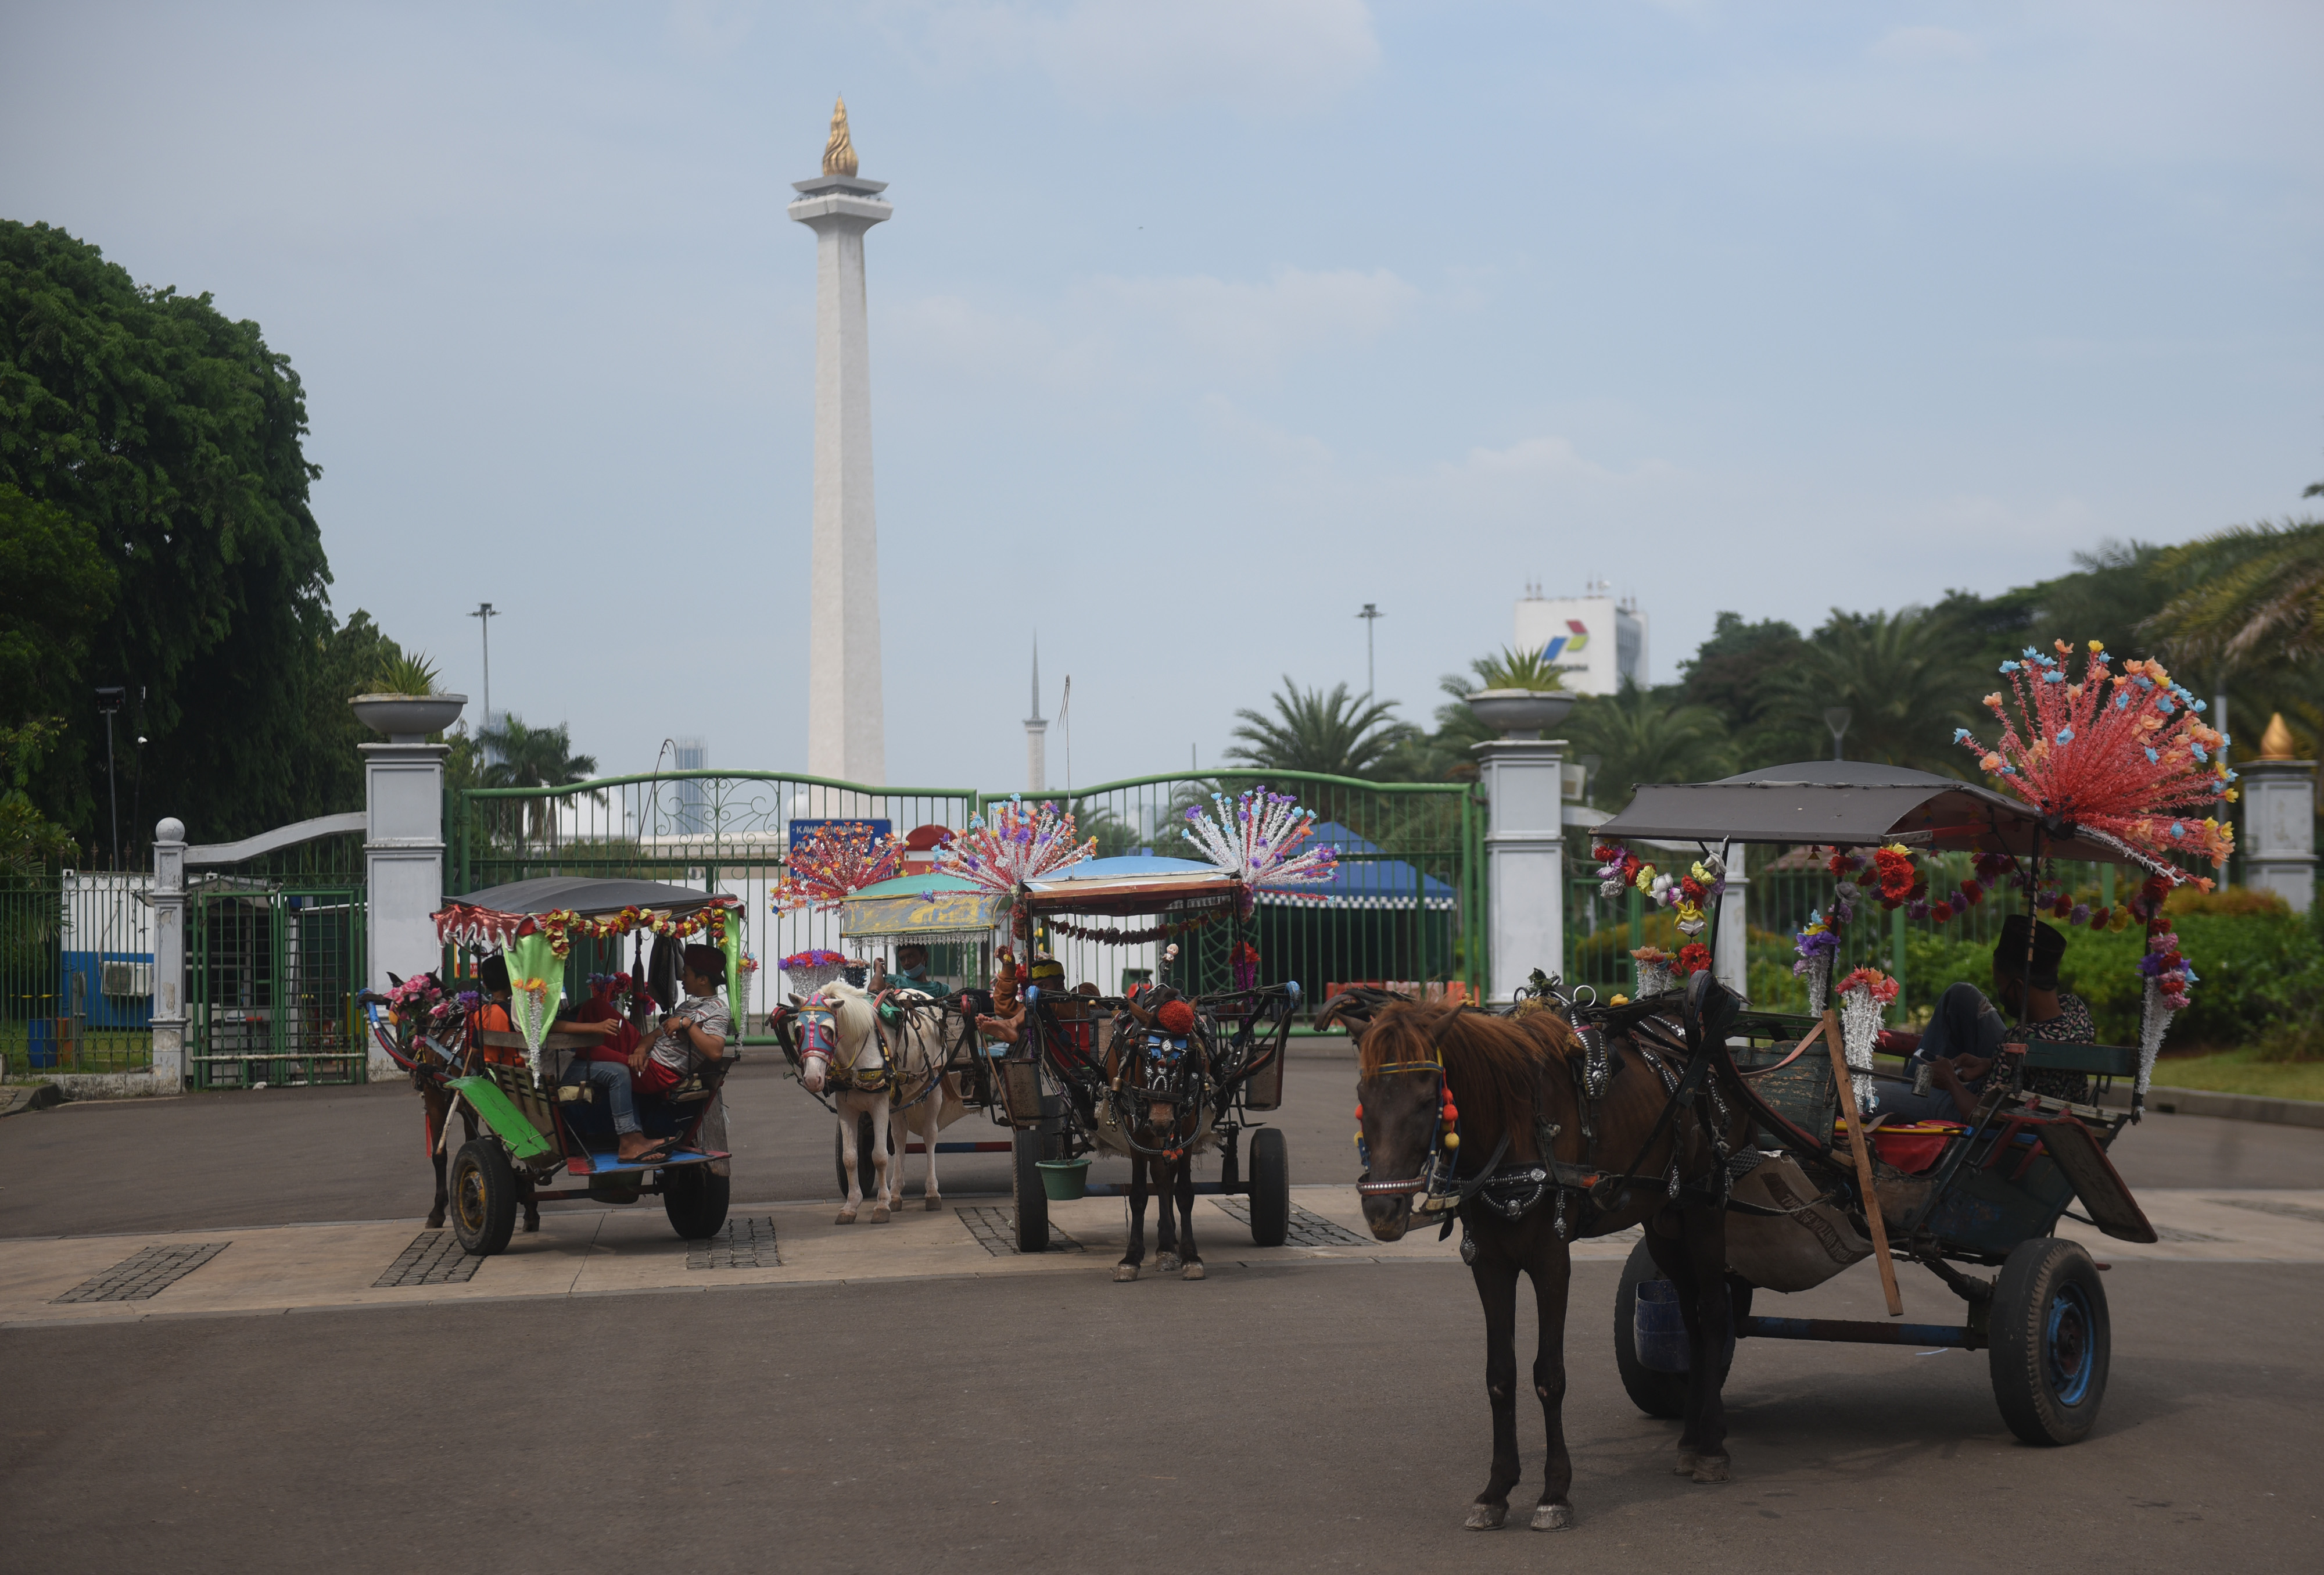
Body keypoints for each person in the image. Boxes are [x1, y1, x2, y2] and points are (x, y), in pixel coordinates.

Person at [1886, 915, 2094, 1121]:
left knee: (1871, 1095)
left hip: (1997, 1120)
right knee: (1961, 995)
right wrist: (1991, 1063)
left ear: (2019, 987)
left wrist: (1950, 1079)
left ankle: (1911, 1096)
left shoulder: (2019, 1041)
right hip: (2034, 1095)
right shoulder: (2075, 1009)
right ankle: (1913, 1091)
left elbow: (1980, 1117)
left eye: (2000, 985)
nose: (1999, 992)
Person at [630, 944, 732, 1102]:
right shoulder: (685, 1006)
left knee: (611, 1068)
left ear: (703, 980)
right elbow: (655, 1035)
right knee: (598, 1010)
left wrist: (686, 1024)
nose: (682, 978)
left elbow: (715, 1053)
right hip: (648, 1062)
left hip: (663, 1073)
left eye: (686, 973)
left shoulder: (719, 1010)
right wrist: (641, 1050)